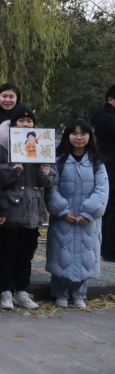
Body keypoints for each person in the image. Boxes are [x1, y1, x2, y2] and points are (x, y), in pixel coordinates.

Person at [0, 105, 57, 310]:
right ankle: (5, 291)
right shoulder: (1, 148)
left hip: (32, 209)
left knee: (26, 254)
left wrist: (46, 172)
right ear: (13, 124)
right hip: (11, 209)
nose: (25, 124)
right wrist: (13, 170)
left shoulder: (42, 145)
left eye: (29, 121)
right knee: (6, 253)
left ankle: (21, 290)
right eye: (21, 121)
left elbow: (49, 181)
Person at [46, 120, 109, 308]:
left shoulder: (97, 162)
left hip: (87, 220)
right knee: (61, 253)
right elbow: (51, 188)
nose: (79, 137)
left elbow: (102, 190)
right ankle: (60, 293)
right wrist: (62, 210)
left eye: (83, 134)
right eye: (74, 133)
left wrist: (88, 212)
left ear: (90, 136)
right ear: (68, 136)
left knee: (86, 255)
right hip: (63, 218)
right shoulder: (58, 160)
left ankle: (79, 293)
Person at [90, 85, 115, 262]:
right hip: (110, 168)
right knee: (111, 209)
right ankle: (109, 249)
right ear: (110, 100)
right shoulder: (105, 117)